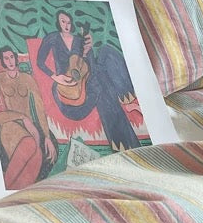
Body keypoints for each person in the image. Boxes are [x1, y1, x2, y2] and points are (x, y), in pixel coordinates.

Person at [36, 9, 140, 151]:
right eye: (63, 21)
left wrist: (87, 51)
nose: (66, 25)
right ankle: (126, 137)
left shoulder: (79, 40)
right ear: (58, 22)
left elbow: (89, 67)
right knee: (102, 83)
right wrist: (55, 76)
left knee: (106, 52)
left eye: (68, 22)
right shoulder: (52, 38)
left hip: (86, 82)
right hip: (67, 91)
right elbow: (40, 62)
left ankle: (126, 100)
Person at [0, 46, 57, 188]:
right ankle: (2, 188)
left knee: (38, 155)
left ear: (16, 58)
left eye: (11, 57)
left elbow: (39, 108)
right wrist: (22, 117)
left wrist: (47, 136)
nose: (10, 61)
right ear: (2, 61)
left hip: (30, 125)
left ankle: (10, 191)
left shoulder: (27, 79)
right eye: (6, 58)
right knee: (29, 144)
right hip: (9, 124)